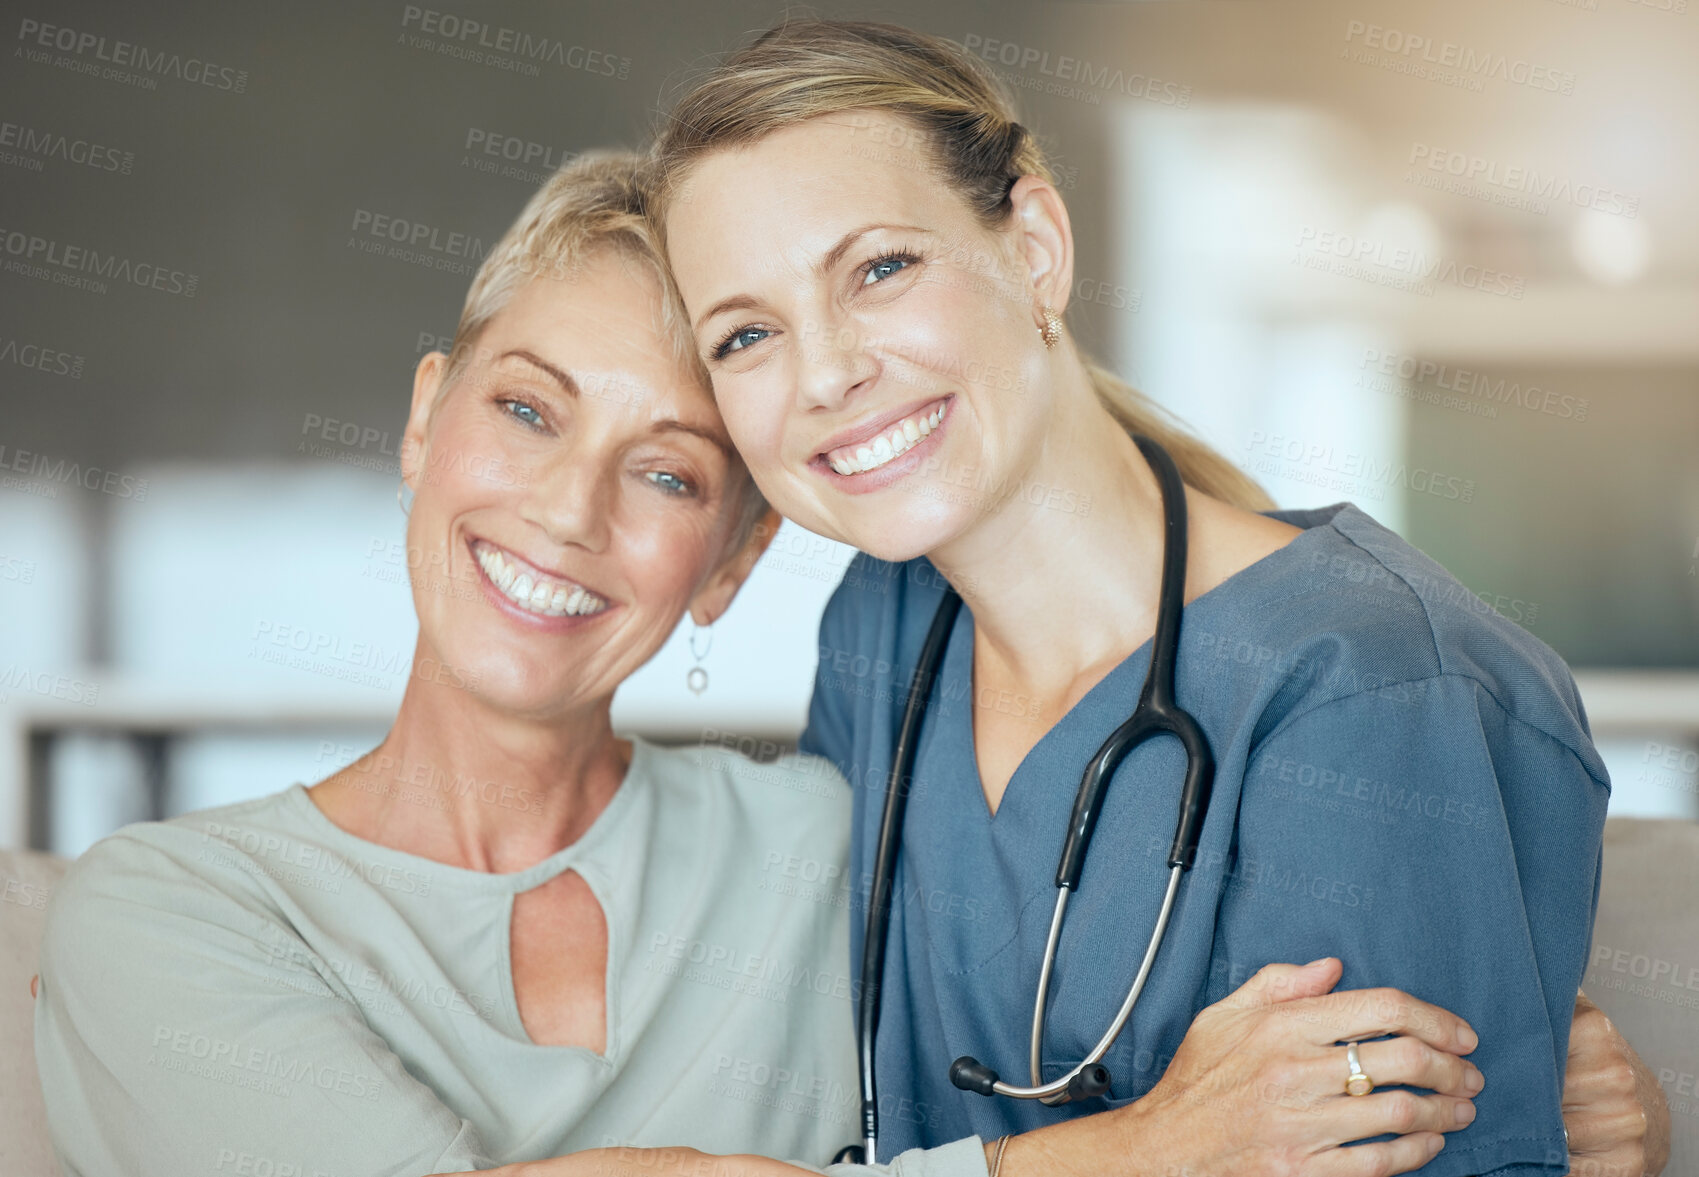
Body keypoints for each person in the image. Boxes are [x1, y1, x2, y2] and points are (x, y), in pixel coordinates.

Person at [32, 149, 1661, 1177]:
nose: (567, 509)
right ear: (419, 417)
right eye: (526, 409)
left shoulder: (820, 843)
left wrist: (1514, 1056)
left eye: (668, 472)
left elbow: (1115, 1027)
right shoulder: (159, 915)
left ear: (735, 556)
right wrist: (1142, 1154)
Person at [648, 19, 1666, 1177]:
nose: (825, 372)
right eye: (746, 335)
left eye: (879, 269)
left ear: (1033, 248)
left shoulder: (1372, 693)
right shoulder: (880, 632)